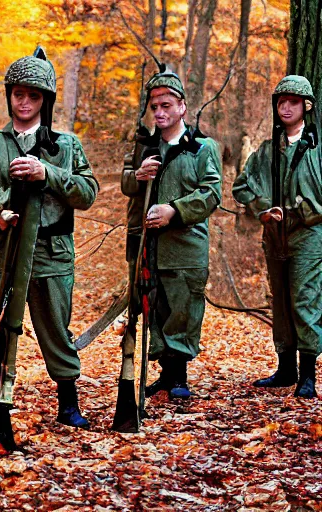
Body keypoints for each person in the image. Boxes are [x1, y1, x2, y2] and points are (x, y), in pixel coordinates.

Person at [0, 47, 98, 429]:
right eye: (19, 94)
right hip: (5, 251)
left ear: (45, 100)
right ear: (9, 96)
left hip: (51, 253)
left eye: (34, 96)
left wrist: (46, 172)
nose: (25, 102)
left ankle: (68, 403)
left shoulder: (66, 146)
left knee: (55, 328)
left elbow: (88, 192)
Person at [121, 71, 222, 399]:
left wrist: (173, 211)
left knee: (182, 310)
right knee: (155, 308)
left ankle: (179, 378)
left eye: (166, 105)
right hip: (147, 247)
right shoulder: (145, 147)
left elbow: (211, 193)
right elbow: (126, 184)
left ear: (182, 107)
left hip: (185, 246)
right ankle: (165, 376)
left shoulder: (202, 148)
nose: (160, 112)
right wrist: (137, 175)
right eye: (154, 107)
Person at [233, 75, 321, 399]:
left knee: (305, 300)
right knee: (281, 302)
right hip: (274, 235)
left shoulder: (317, 149)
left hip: (308, 234)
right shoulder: (267, 150)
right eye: (281, 101)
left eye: (293, 102)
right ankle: (286, 369)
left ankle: (308, 376)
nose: (286, 107)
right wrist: (263, 209)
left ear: (306, 106)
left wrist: (303, 208)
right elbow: (241, 186)